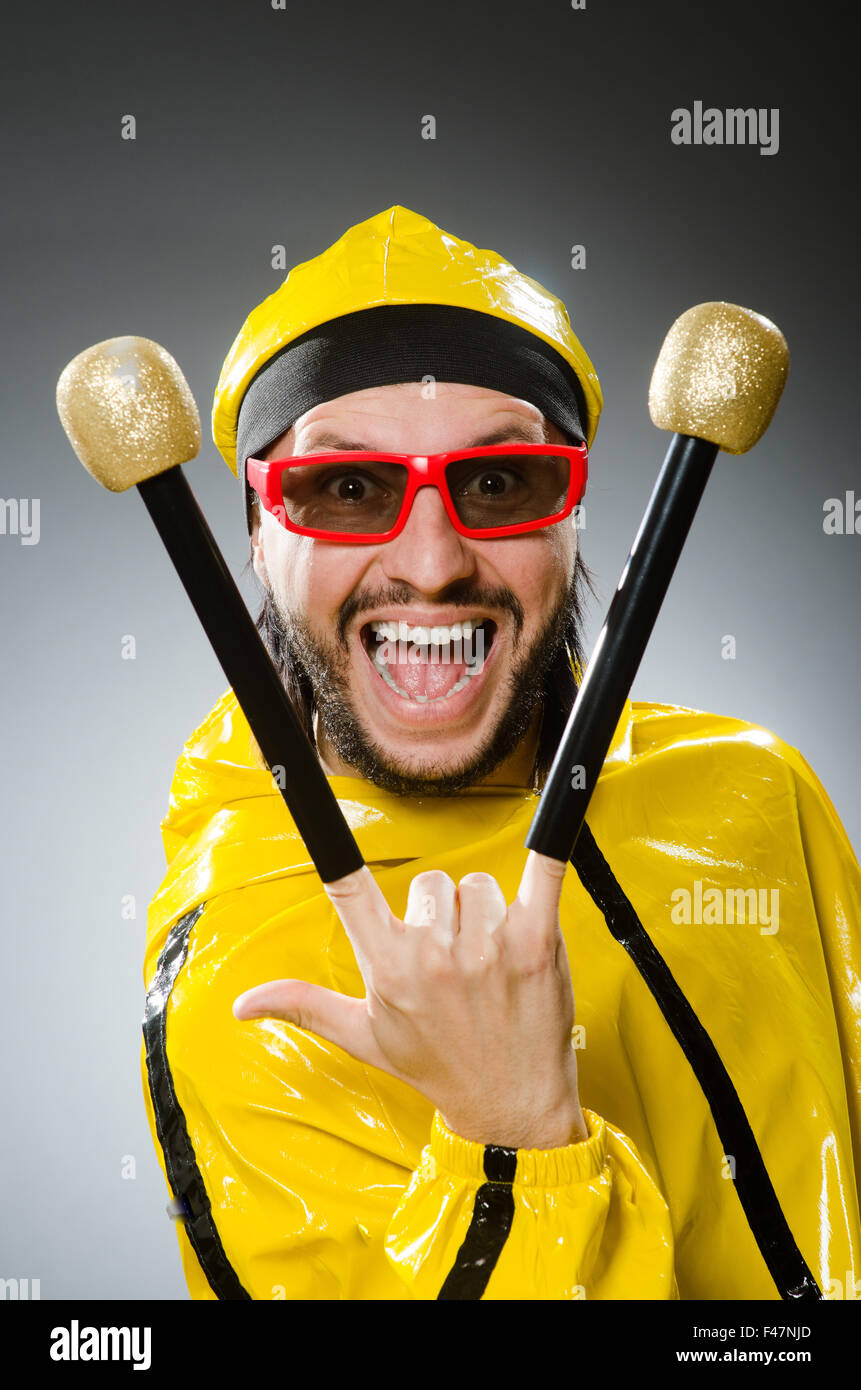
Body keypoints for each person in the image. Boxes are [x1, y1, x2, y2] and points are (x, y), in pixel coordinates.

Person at [142, 205, 861, 1300]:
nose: (430, 563)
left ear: (573, 511)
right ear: (257, 524)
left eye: (496, 483)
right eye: (348, 490)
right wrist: (514, 1130)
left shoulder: (754, 790)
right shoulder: (245, 977)